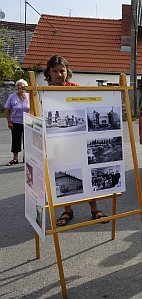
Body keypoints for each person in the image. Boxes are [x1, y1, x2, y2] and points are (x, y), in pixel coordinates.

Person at [44, 55, 109, 226]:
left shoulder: (77, 89)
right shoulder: (43, 92)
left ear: (67, 72)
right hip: (57, 143)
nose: (59, 74)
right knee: (63, 175)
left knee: (86, 173)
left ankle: (94, 209)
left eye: (62, 71)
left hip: (80, 140)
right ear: (49, 73)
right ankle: (67, 210)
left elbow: (90, 107)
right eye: (55, 71)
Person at [5, 79, 30, 166]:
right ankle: (15, 159)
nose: (19, 87)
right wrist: (9, 121)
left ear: (25, 87)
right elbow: (7, 109)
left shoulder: (29, 96)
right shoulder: (12, 97)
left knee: (28, 141)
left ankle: (26, 158)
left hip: (28, 122)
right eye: (18, 85)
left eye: (21, 85)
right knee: (16, 140)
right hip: (16, 122)